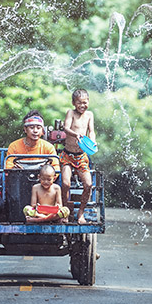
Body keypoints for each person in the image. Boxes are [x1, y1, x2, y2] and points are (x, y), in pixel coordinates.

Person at [60, 89, 96, 224]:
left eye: (85, 102)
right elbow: (66, 128)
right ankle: (64, 212)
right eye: (79, 103)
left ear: (88, 102)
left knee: (88, 184)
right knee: (65, 183)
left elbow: (91, 131)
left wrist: (92, 141)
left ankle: (81, 213)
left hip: (81, 156)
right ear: (74, 103)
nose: (82, 105)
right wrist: (76, 135)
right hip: (67, 156)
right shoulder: (71, 113)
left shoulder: (90, 115)